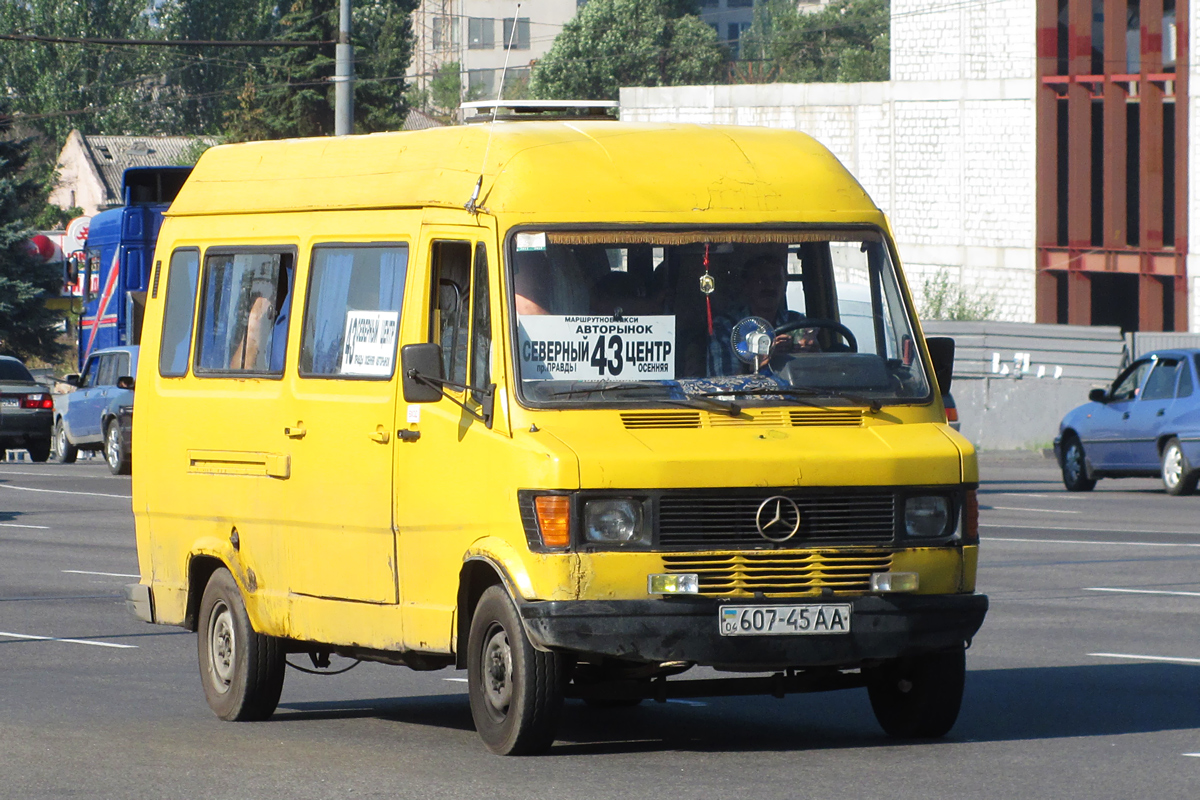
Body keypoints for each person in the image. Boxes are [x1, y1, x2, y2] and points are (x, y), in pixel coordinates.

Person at [706, 254, 809, 376]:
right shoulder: (727, 326)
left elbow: (819, 377)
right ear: (747, 286)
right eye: (762, 280)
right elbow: (723, 383)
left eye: (776, 279)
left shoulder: (797, 323)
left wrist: (812, 354)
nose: (770, 286)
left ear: (785, 285)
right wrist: (761, 360)